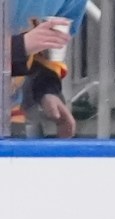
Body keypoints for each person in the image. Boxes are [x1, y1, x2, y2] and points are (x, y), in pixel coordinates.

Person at [9, 1, 88, 138]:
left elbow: (45, 50)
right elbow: (26, 44)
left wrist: (46, 88)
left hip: (10, 116)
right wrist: (20, 46)